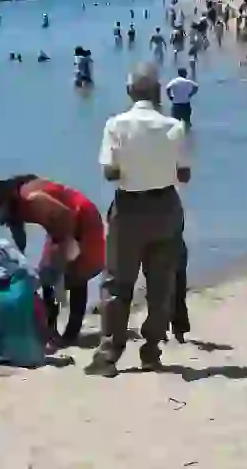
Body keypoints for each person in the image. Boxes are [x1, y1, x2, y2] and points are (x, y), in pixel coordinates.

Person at [87, 64, 189, 376]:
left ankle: (109, 354)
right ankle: (151, 350)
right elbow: (183, 173)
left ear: (130, 92)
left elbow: (109, 172)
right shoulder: (175, 126)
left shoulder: (116, 125)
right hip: (166, 206)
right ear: (159, 92)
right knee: (161, 283)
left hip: (129, 207)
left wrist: (132, 167)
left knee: (117, 282)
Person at [0, 176, 105, 345]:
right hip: (58, 224)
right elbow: (19, 237)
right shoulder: (13, 207)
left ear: (2, 200)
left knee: (75, 275)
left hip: (81, 216)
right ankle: (49, 329)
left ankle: (71, 333)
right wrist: (18, 264)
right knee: (46, 276)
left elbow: (66, 215)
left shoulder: (32, 198)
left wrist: (67, 249)